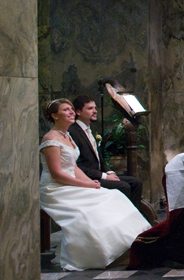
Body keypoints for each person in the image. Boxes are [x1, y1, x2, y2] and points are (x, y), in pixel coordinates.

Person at [39, 98, 152, 270]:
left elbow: (74, 167)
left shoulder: (67, 135)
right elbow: (57, 174)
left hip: (72, 183)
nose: (70, 112)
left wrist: (90, 182)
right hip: (55, 188)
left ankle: (129, 244)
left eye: (71, 109)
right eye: (65, 110)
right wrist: (85, 185)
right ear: (54, 116)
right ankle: (98, 252)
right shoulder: (50, 139)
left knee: (113, 196)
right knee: (93, 208)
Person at [68, 95, 154, 223]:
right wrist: (103, 176)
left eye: (95, 108)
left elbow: (99, 158)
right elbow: (78, 166)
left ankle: (133, 220)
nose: (95, 111)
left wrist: (110, 171)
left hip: (98, 174)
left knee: (135, 183)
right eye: (90, 108)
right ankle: (120, 222)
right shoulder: (73, 132)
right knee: (123, 186)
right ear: (78, 112)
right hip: (87, 178)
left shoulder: (90, 129)